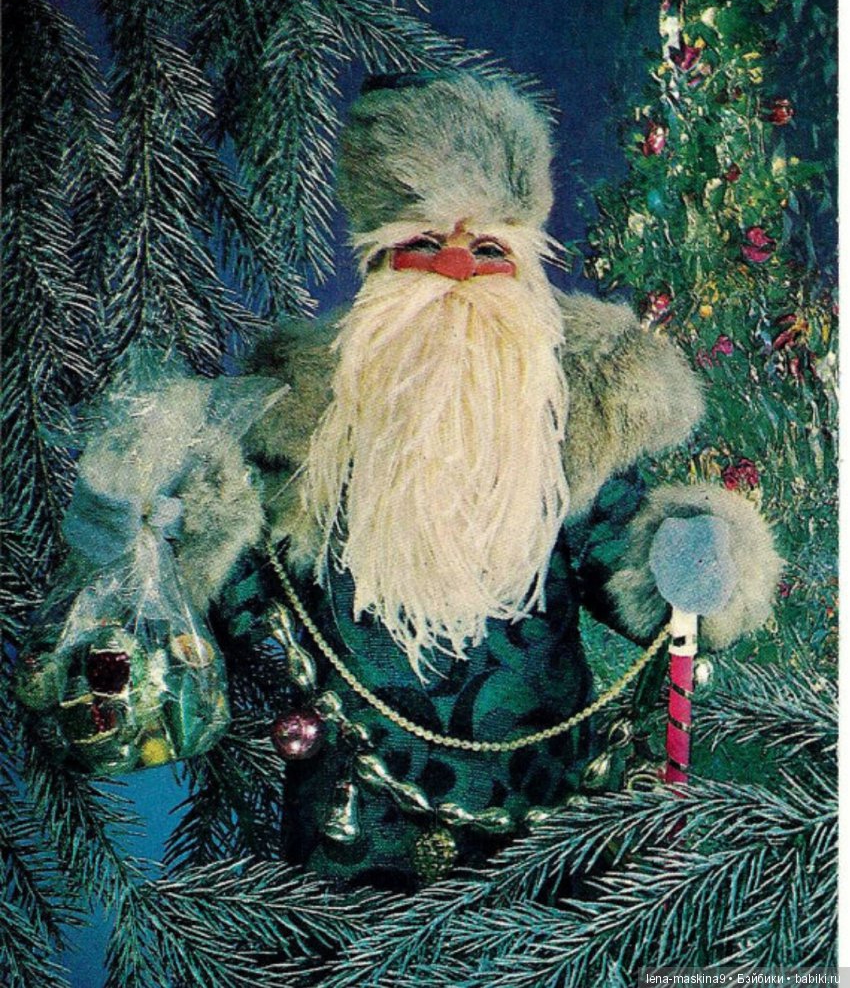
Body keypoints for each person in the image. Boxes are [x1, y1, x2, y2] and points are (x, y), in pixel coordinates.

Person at [29, 72, 782, 888]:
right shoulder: (298, 431)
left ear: (526, 270)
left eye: (488, 251)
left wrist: (696, 558)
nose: (455, 268)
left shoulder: (570, 428)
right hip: (353, 837)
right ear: (379, 266)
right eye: (425, 245)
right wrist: (171, 532)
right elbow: (247, 608)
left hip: (548, 841)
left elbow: (646, 586)